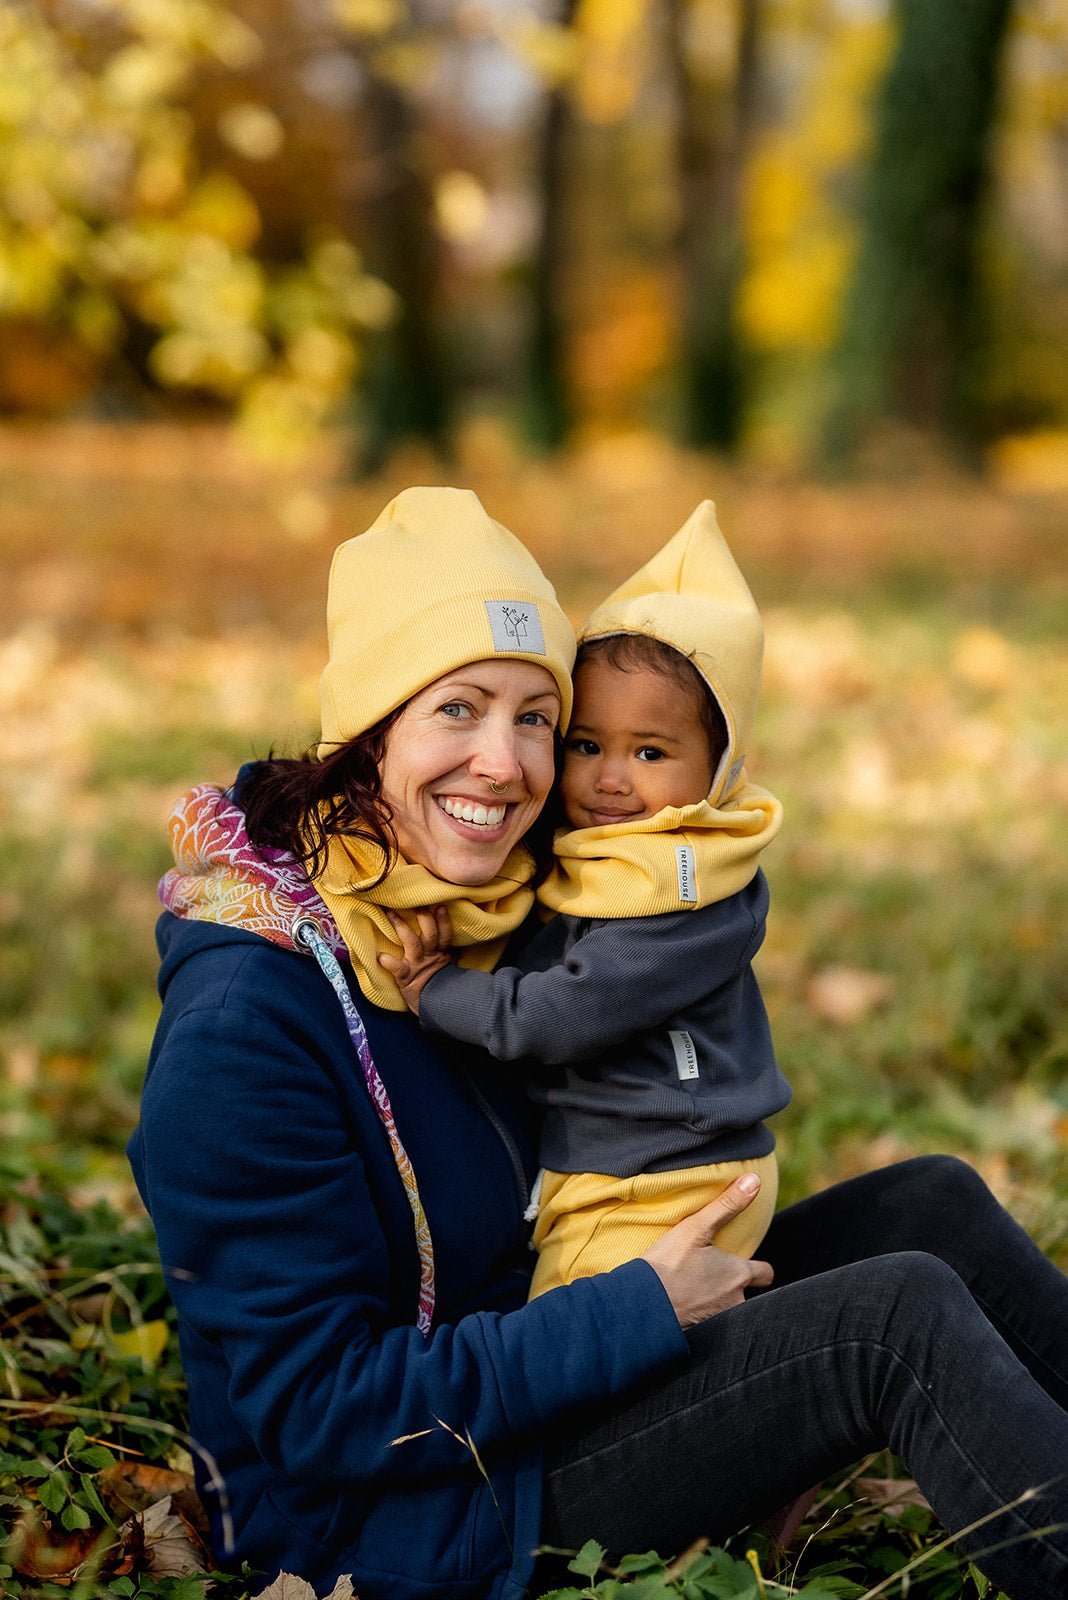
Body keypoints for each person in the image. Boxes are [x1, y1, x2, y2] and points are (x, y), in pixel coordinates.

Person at [129, 485, 1068, 1600]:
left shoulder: (461, 910)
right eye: (459, 708)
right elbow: (323, 1413)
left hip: (552, 1338)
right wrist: (636, 1313)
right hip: (421, 1502)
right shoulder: (250, 1025)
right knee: (888, 1321)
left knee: (928, 1207)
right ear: (372, 726)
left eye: (535, 717)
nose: (506, 764)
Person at [381, 504, 791, 1298]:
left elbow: (556, 1014)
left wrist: (436, 989)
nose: (610, 777)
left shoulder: (675, 893)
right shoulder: (615, 850)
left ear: (719, 769)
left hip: (657, 1175)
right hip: (636, 1159)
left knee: (579, 1343)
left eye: (650, 751)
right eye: (586, 744)